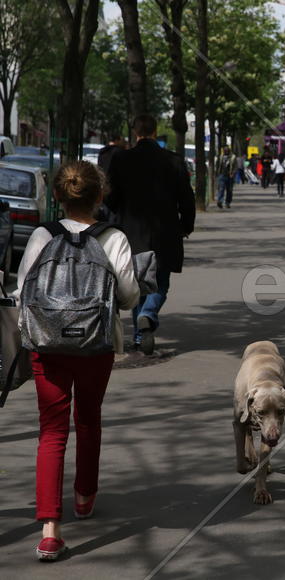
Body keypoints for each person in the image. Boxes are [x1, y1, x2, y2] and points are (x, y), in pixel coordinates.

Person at [17, 161, 140, 561]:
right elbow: (128, 295)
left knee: (51, 431)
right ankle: (84, 496)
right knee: (88, 419)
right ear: (100, 196)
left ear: (57, 196)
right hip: (94, 345)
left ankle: (49, 530)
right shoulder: (113, 238)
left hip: (47, 345)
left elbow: (23, 291)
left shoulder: (42, 235)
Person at [106, 114, 196, 355]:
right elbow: (186, 198)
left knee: (139, 282)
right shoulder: (174, 161)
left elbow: (110, 197)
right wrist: (186, 225)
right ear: (155, 132)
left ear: (135, 133)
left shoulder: (121, 159)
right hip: (165, 231)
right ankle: (148, 314)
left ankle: (139, 335)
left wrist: (117, 216)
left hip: (132, 231)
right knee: (161, 282)